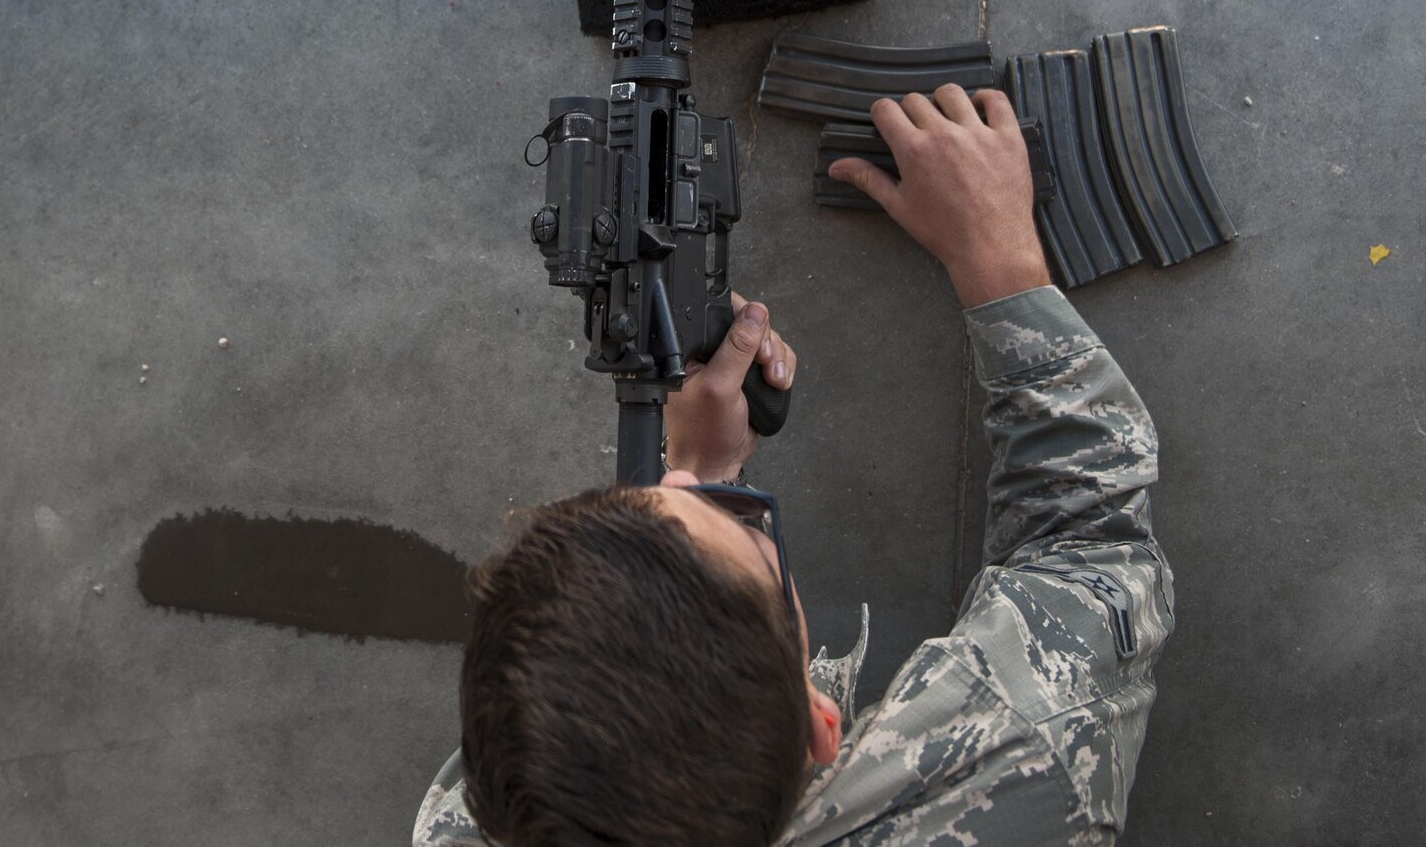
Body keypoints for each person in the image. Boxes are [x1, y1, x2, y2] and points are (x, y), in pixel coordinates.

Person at [415, 85, 1174, 846]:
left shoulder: (470, 824)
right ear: (821, 724)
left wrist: (708, 465)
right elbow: (1086, 541)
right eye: (747, 533)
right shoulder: (1020, 755)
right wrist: (997, 251)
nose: (677, 482)